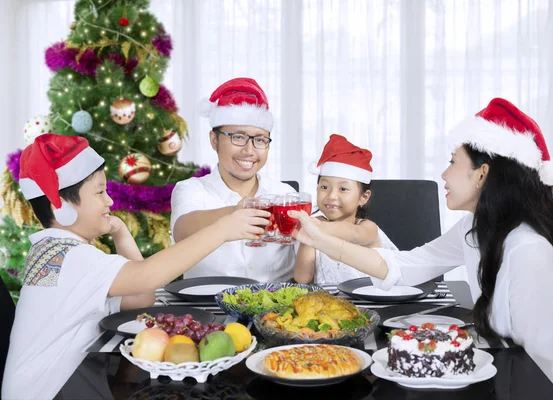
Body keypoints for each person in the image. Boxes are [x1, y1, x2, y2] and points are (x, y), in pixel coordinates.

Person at [289, 98, 553, 399]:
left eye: (452, 162)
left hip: (548, 388)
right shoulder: (474, 227)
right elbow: (407, 266)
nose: (443, 174)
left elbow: (532, 360)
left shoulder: (529, 250)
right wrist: (321, 241)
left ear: (482, 174)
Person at [2, 134, 269, 399]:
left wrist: (120, 232)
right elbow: (147, 277)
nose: (109, 201)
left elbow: (141, 297)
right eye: (99, 192)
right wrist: (221, 230)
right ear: (60, 206)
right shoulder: (69, 257)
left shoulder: (56, 250)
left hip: (65, 383)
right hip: (52, 392)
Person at [170, 77, 296, 281]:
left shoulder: (286, 195)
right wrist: (235, 212)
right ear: (214, 140)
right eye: (238, 137)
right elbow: (182, 231)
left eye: (260, 140)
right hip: (208, 306)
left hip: (278, 308)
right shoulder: (191, 189)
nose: (249, 150)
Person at [294, 134, 397, 285]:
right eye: (324, 187)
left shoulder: (367, 228)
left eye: (343, 189)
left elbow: (355, 234)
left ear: (363, 197)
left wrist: (314, 227)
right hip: (329, 305)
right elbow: (302, 278)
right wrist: (308, 238)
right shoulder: (315, 226)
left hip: (372, 303)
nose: (331, 195)